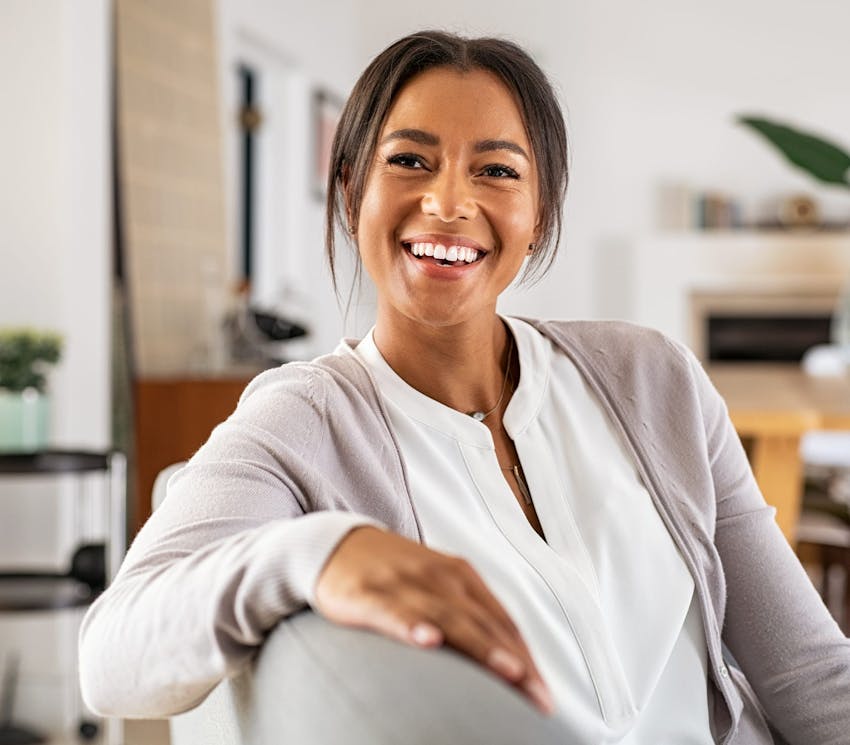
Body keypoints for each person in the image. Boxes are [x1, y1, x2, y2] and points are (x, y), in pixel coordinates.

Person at [79, 30, 850, 744]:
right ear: (351, 192)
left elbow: (807, 672)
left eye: (497, 170)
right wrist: (319, 551)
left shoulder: (655, 379)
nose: (449, 202)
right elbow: (111, 657)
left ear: (539, 213)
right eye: (410, 160)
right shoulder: (304, 419)